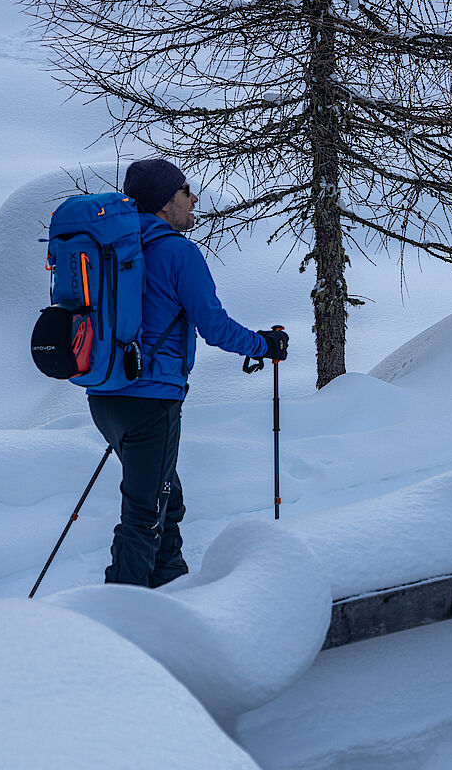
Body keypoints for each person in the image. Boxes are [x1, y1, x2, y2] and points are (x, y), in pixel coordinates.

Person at [87, 158, 288, 587]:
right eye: (184, 191)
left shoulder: (112, 249)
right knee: (143, 513)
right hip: (151, 400)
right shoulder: (178, 252)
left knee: (164, 497)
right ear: (164, 204)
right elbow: (213, 327)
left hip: (104, 396)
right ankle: (120, 616)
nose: (193, 198)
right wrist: (264, 345)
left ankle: (172, 586)